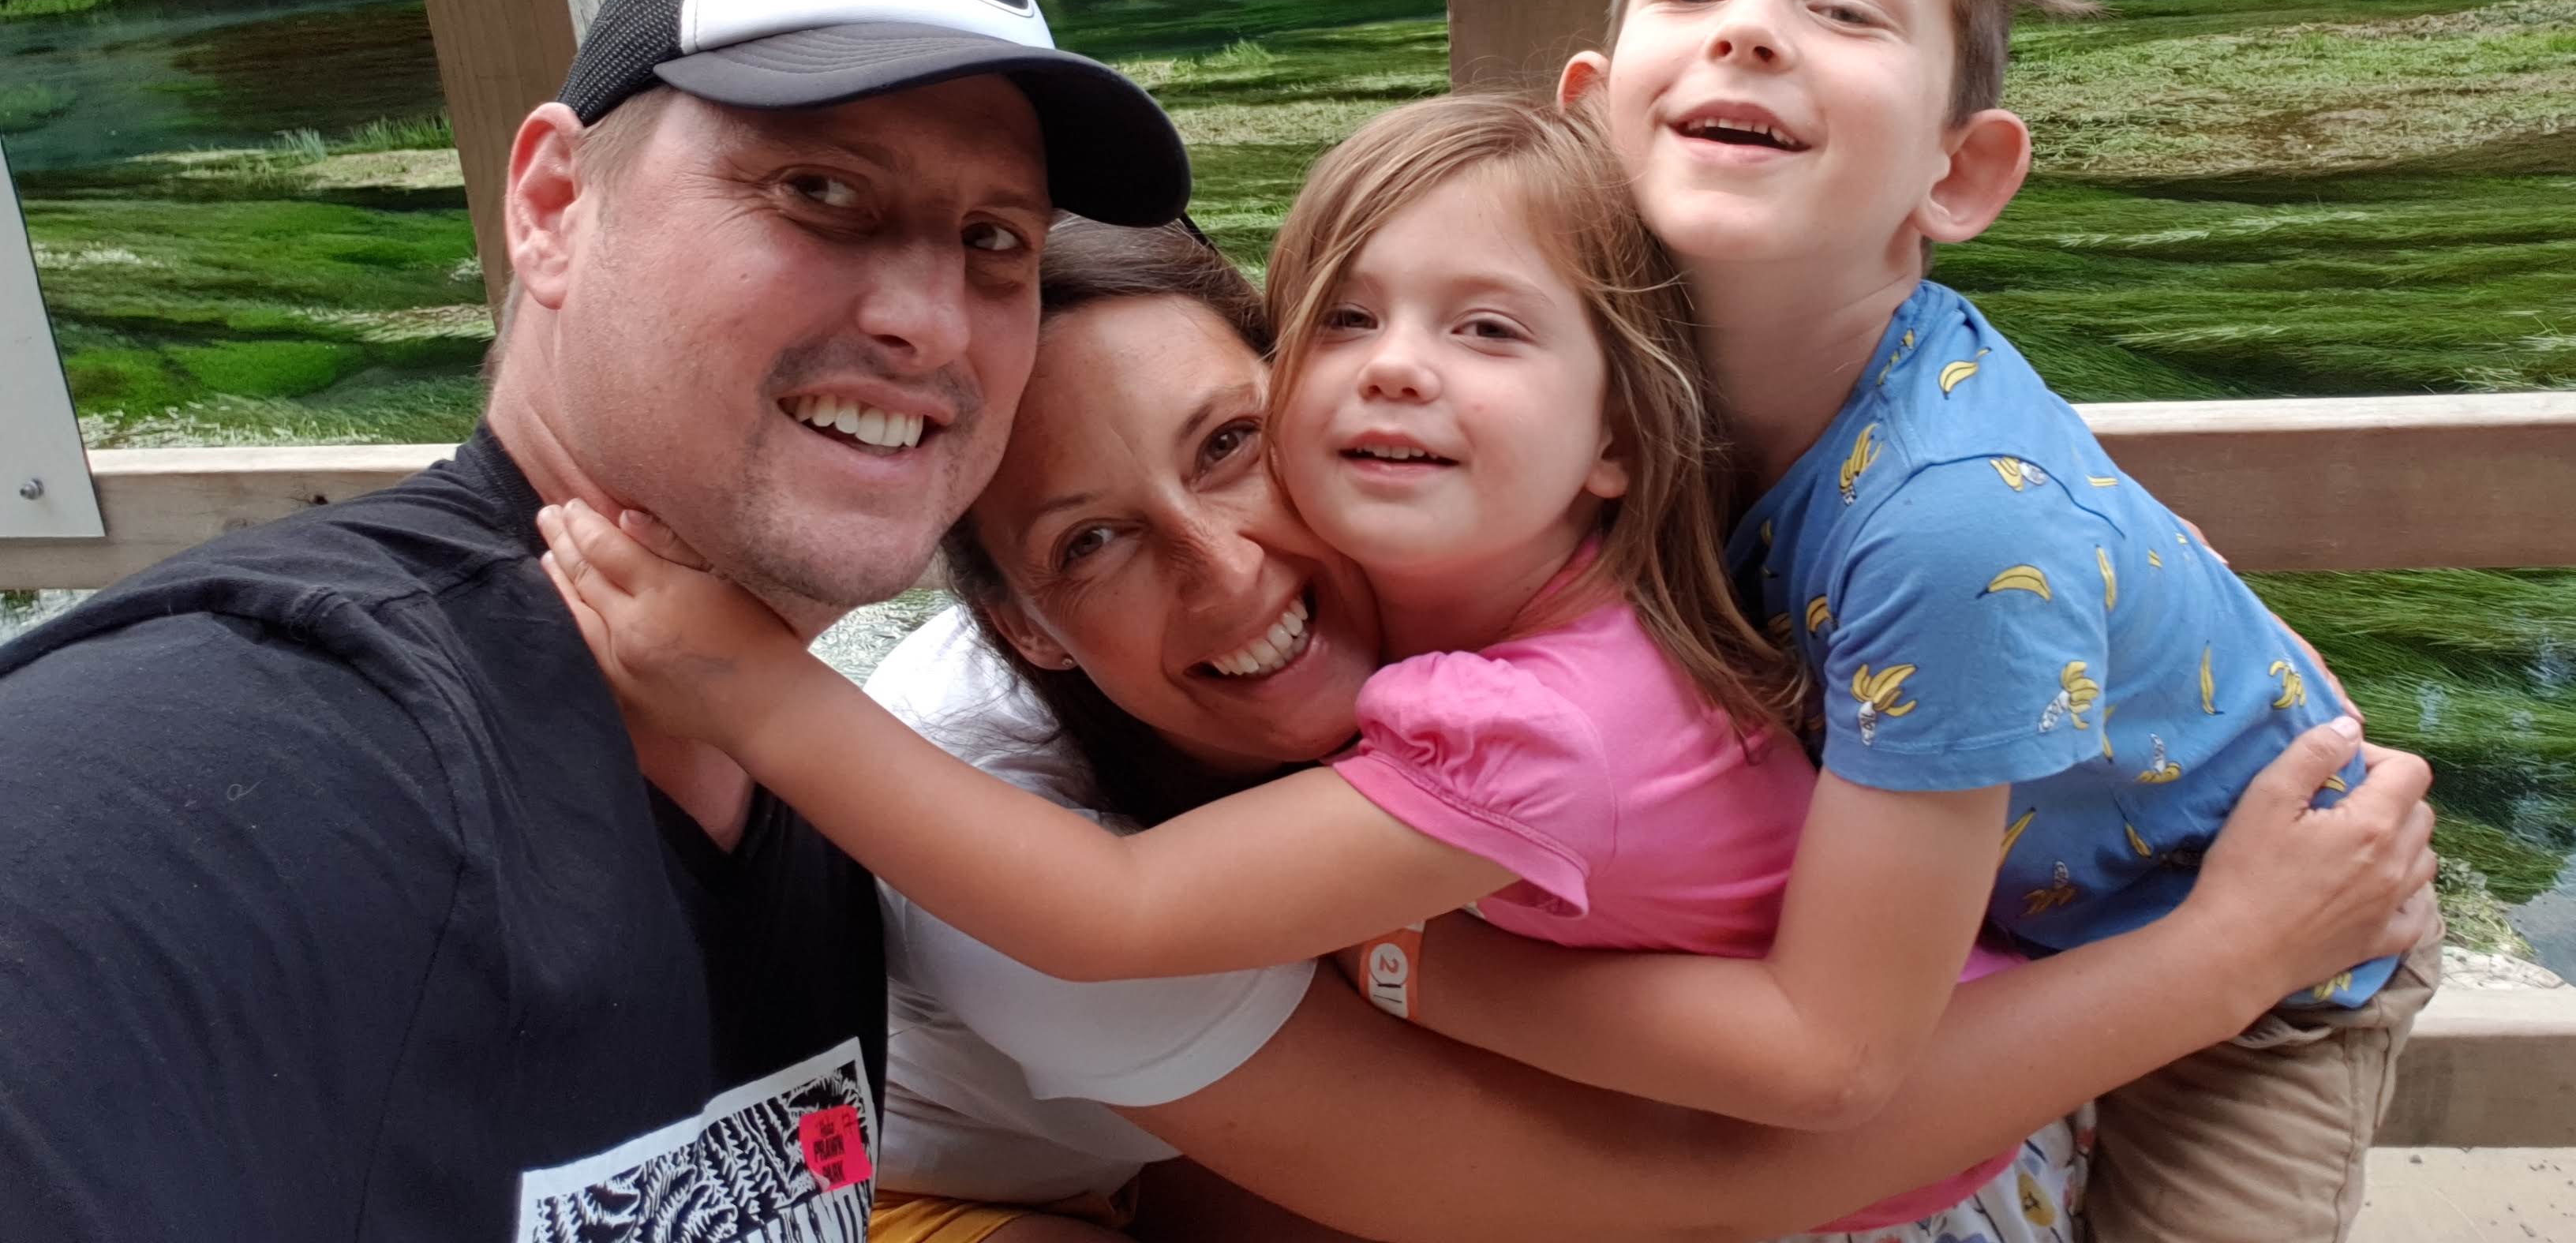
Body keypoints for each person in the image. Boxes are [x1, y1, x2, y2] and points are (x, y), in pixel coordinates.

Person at [546, 216, 2438, 1243]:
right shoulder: (993, 829)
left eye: (1232, 444)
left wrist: (2200, 692)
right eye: (1091, 542)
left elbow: (1938, 550)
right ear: (1022, 620)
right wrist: (2219, 961)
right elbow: (1648, 1193)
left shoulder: (1545, 578)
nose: (1224, 567)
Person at [0, 0, 1192, 1241]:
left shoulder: (797, 778)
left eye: (996, 239)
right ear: (554, 206)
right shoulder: (243, 762)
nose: (931, 320)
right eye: (819, 189)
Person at [1552, 0, 2444, 1242]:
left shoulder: (1950, 523)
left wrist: (1403, 970)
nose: (1746, 28)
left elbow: (1841, 1059)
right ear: (1588, 109)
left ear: (1957, 175)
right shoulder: (1591, 392)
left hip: (2269, 956)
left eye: (1846, 11)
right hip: (1984, 925)